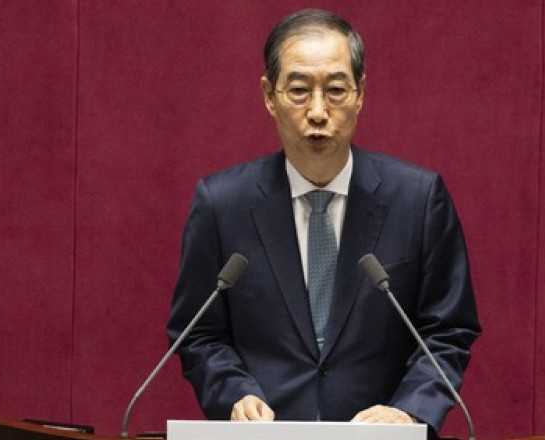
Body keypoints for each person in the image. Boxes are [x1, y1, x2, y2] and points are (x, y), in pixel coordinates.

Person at [167, 8, 481, 433]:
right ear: (269, 95)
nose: (318, 111)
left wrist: (408, 410)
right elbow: (198, 333)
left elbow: (448, 330)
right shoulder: (222, 205)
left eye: (335, 90)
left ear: (360, 93)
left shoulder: (419, 200)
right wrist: (235, 395)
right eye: (299, 91)